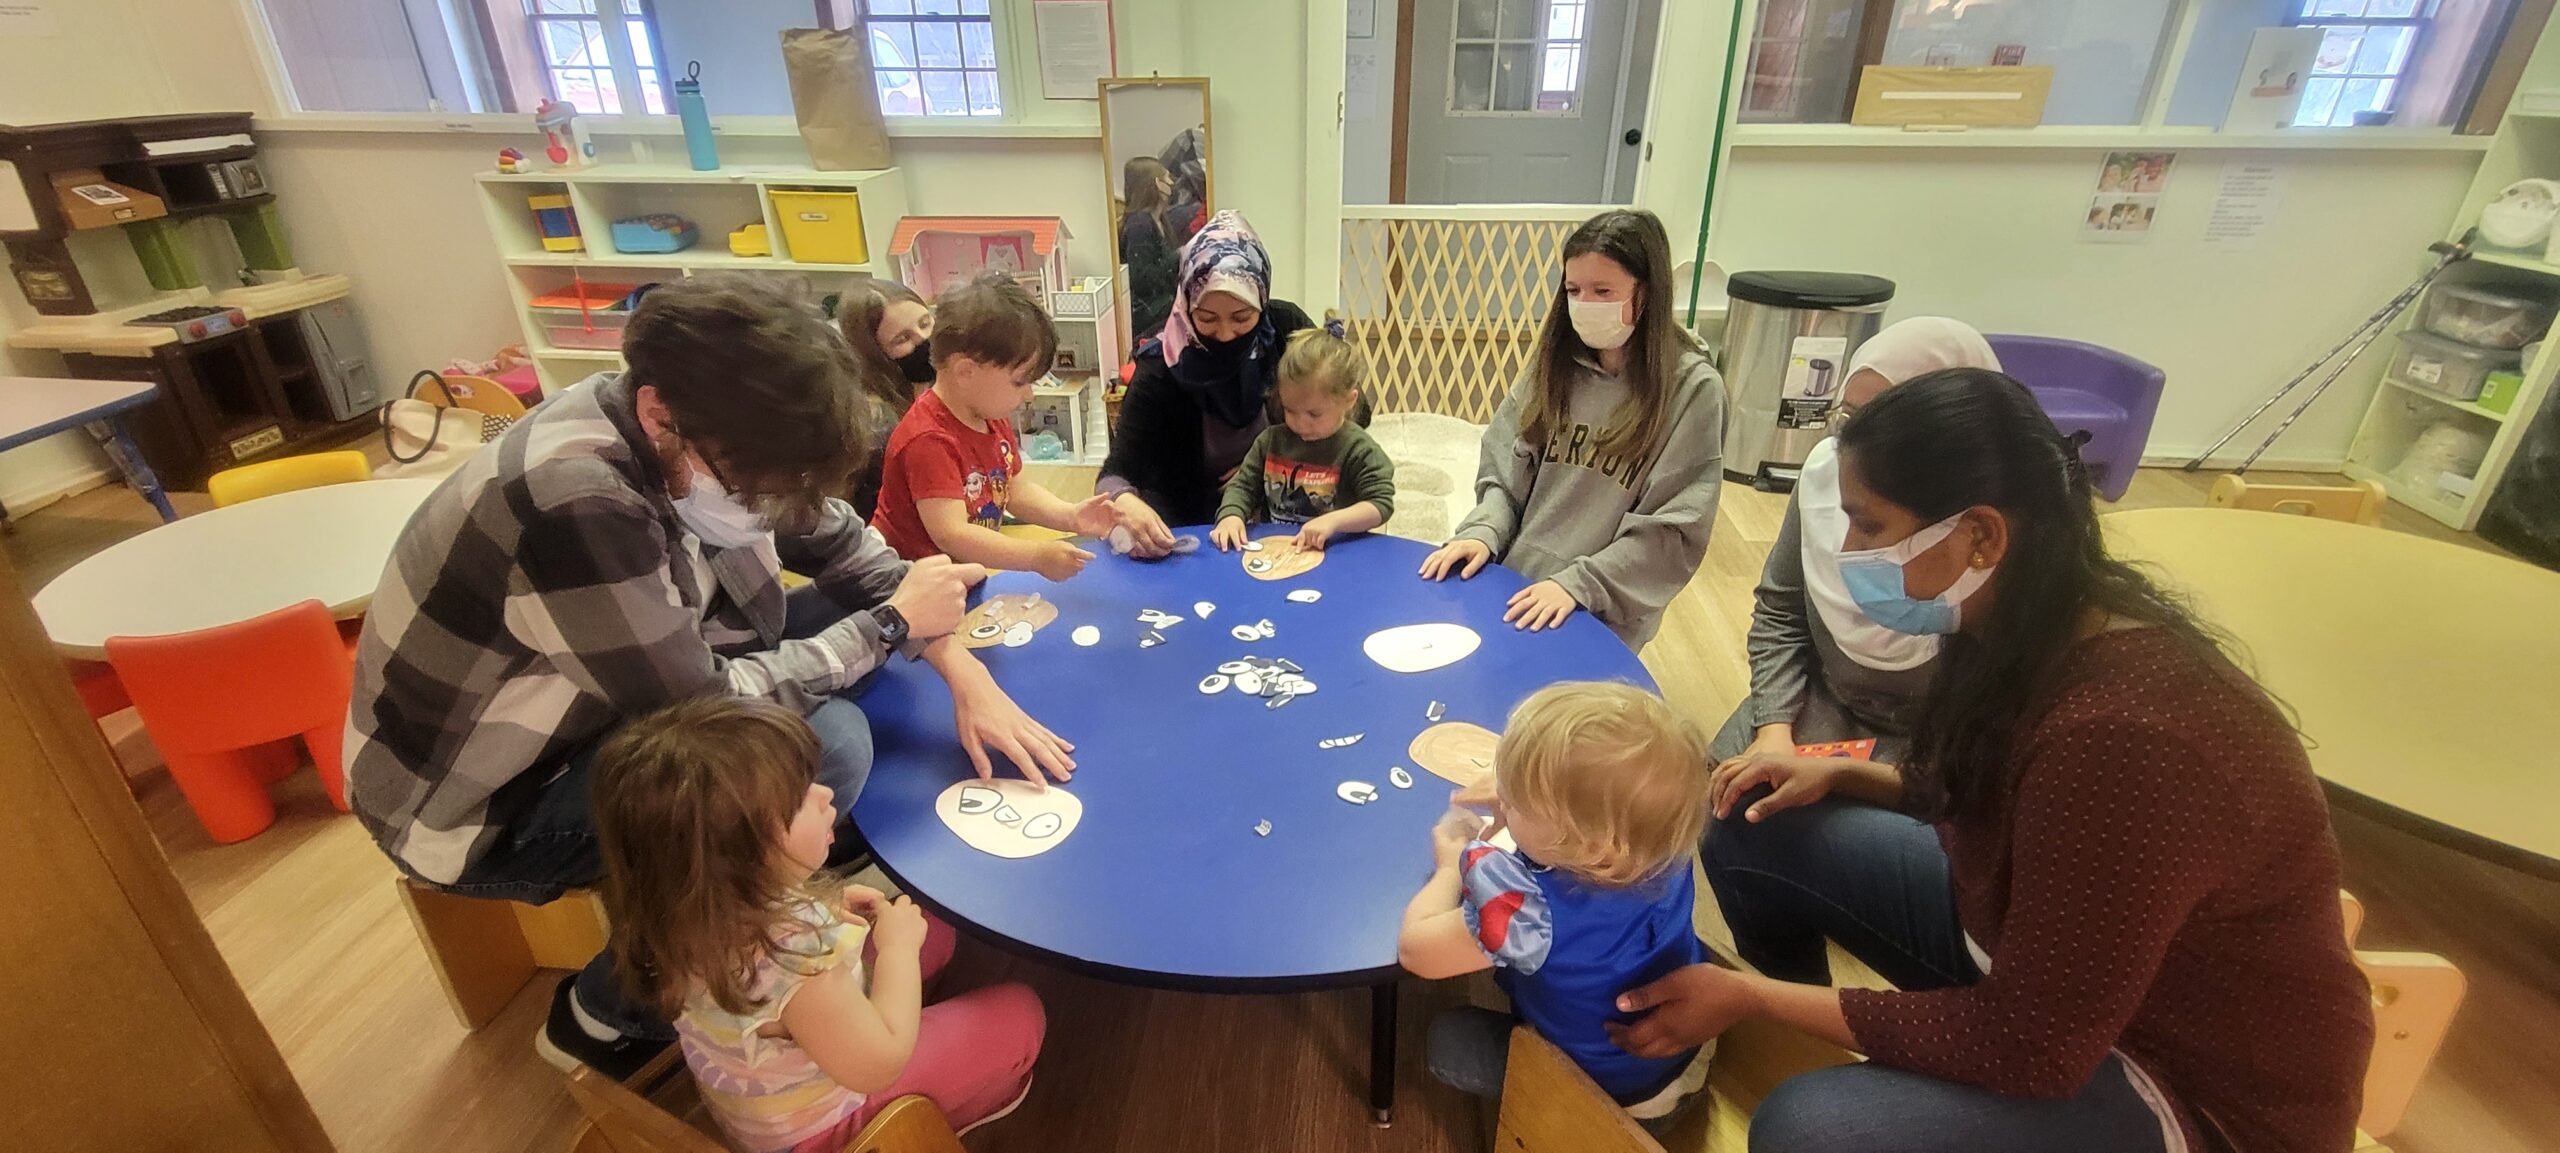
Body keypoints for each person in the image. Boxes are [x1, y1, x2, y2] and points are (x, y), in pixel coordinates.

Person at [1610, 370, 2372, 1153]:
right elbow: (1989, 793)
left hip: (2190, 1087)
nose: (1847, 551)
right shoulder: (2026, 623)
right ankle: (1831, 1050)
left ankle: (1834, 1060)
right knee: (1749, 817)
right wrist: (1842, 773)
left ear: (1980, 535)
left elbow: (2031, 1045)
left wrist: (1751, 998)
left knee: (1811, 1130)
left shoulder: (2126, 736)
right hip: (2042, 964)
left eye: (1869, 527)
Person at [345, 275, 1075, 1080]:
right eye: (758, 488)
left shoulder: (706, 424)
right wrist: (898, 624)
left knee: (842, 652)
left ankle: (795, 867)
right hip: (482, 804)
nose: (774, 505)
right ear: (659, 415)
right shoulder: (575, 501)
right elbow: (702, 706)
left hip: (610, 692)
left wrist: (959, 665)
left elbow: (836, 544)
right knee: (820, 748)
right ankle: (612, 1011)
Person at [593, 696, 1043, 1151]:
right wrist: (897, 952)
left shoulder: (678, 908)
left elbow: (777, 971)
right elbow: (879, 1064)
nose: (826, 793)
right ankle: (946, 1118)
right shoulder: (791, 957)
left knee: (934, 927)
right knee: (1022, 1013)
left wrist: (824, 906)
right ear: (741, 858)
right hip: (831, 1129)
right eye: (799, 799)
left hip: (769, 1104)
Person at [1399, 682, 1715, 1134]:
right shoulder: (1661, 844)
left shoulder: (1527, 912)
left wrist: (1450, 867)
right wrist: (1530, 802)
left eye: (1517, 798)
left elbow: (1417, 951)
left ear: (1586, 844)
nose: (1503, 796)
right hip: (1688, 1047)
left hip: (1615, 1099)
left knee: (1447, 1042)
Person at [1418, 209, 1725, 646]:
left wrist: (1577, 585)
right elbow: (1504, 473)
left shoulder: (1693, 390)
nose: (1585, 305)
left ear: (1648, 293)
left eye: (1603, 291)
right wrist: (1484, 532)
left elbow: (1673, 532)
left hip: (1601, 606)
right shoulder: (1553, 363)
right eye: (1573, 290)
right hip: (1513, 579)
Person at [1709, 318, 2003, 769]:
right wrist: (1774, 729)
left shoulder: (1986, 534)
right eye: (1849, 417)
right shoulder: (1829, 472)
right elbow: (1780, 611)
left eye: (1888, 424)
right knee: (1719, 789)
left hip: (1943, 742)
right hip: (1828, 701)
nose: (1861, 443)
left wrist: (1846, 776)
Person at [1100, 211, 1351, 551]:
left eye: (1241, 317)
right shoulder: (1162, 367)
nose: (1225, 333)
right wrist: (1126, 503)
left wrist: (1267, 461)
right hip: (1189, 525)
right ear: (1187, 306)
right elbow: (1116, 472)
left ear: (1261, 303)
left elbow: (1347, 408)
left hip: (1287, 518)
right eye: (1207, 318)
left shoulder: (1283, 328)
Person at [870, 272, 1125, 578]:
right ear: (966, 372)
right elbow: (952, 534)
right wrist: (1034, 556)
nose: (1029, 394)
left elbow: (1014, 488)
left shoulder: (988, 414)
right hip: (903, 582)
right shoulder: (927, 440)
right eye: (1020, 382)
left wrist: (1070, 516)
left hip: (956, 575)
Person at [1209, 317, 1397, 553]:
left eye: (1314, 414)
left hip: (1336, 553)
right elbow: (1244, 487)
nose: (1300, 423)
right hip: (1278, 551)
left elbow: (1380, 505)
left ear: (1349, 400)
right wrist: (1231, 516)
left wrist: (1333, 521)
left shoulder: (1359, 450)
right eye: (1289, 410)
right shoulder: (1270, 441)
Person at [836, 280, 936, 520]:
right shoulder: (879, 423)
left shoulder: (931, 389)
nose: (923, 339)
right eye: (902, 339)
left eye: (925, 323)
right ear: (875, 354)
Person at [1118, 156, 1180, 339]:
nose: (1172, 183)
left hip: (1160, 310)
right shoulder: (1140, 225)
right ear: (1156, 184)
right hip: (1150, 318)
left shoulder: (1159, 220)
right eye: (1167, 178)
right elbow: (1141, 279)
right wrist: (1179, 256)